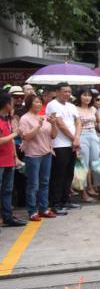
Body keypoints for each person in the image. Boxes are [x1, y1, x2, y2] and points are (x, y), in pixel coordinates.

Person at [45, 83, 82, 215]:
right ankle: (55, 203)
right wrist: (74, 138)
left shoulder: (72, 106)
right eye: (65, 91)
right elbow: (60, 124)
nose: (67, 94)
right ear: (57, 92)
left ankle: (65, 200)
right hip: (59, 145)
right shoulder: (52, 105)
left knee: (69, 174)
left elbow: (78, 122)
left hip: (72, 144)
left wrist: (77, 137)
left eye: (69, 91)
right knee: (58, 175)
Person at [18, 94, 56, 221]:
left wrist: (54, 124)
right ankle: (32, 211)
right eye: (36, 102)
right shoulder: (24, 118)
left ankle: (44, 208)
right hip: (33, 155)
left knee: (45, 182)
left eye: (40, 102)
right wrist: (38, 125)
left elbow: (53, 135)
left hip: (47, 153)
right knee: (33, 184)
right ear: (29, 103)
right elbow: (25, 137)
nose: (39, 104)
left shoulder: (44, 117)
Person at [0, 93, 24, 227]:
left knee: (7, 190)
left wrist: (15, 157)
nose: (14, 105)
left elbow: (10, 143)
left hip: (9, 160)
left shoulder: (7, 119)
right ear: (7, 105)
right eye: (12, 102)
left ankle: (7, 216)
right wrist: (15, 133)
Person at [75, 89, 100, 203]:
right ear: (79, 96)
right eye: (84, 95)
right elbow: (74, 125)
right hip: (82, 136)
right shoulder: (75, 109)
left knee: (97, 162)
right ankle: (84, 193)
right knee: (83, 165)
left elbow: (99, 121)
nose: (87, 98)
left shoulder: (93, 108)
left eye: (89, 96)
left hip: (93, 134)